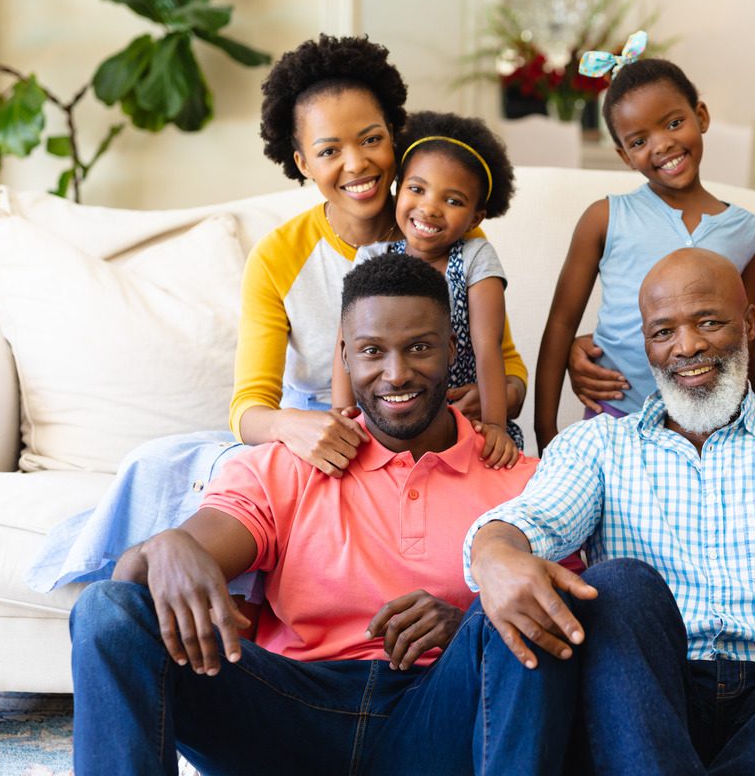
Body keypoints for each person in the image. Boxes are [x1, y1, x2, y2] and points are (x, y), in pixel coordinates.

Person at [26, 34, 529, 594]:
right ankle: (150, 585)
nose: (357, 164)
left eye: (371, 139)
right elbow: (249, 409)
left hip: (424, 425)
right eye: (329, 150)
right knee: (162, 464)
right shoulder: (280, 257)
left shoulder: (442, 228)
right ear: (301, 162)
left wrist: (489, 401)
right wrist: (298, 427)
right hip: (322, 429)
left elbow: (503, 363)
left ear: (396, 136)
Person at [69, 254, 575, 776]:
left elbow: (580, 628)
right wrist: (163, 547)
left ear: (451, 349)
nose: (396, 373)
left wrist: (467, 624)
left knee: (533, 610)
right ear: (345, 357)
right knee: (106, 610)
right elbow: (143, 582)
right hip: (287, 714)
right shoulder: (286, 465)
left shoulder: (523, 480)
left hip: (436, 721)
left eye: (420, 347)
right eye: (372, 351)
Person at [467, 247, 755, 775]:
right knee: (619, 585)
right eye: (663, 332)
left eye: (708, 322)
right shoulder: (596, 445)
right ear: (646, 345)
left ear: (749, 323)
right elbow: (532, 518)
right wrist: (494, 552)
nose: (687, 347)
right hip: (643, 703)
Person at [533, 49, 755, 452]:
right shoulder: (604, 218)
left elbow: (754, 339)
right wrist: (546, 432)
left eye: (674, 123)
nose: (662, 145)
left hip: (709, 427)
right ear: (624, 156)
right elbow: (560, 325)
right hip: (617, 419)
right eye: (640, 141)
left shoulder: (745, 230)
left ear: (702, 116)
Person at [333, 111, 523, 466]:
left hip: (462, 422)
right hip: (388, 419)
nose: (430, 208)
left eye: (453, 201)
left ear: (476, 218)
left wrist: (495, 424)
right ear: (398, 190)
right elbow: (344, 341)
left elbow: (487, 347)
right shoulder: (372, 256)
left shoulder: (475, 257)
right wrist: (341, 412)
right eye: (417, 189)